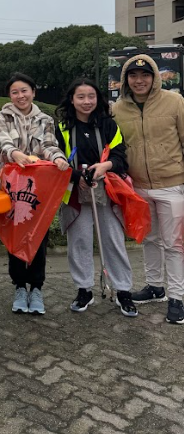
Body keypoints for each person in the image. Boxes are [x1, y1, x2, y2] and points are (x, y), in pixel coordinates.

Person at [55, 78, 137, 317]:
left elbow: (121, 157)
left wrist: (105, 166)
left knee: (113, 240)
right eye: (81, 97)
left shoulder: (109, 125)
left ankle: (123, 291)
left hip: (107, 190)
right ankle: (84, 290)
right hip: (76, 191)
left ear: (98, 99)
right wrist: (76, 175)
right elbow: (56, 159)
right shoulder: (62, 127)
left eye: (91, 96)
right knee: (78, 241)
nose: (86, 101)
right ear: (72, 99)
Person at [113, 54, 184, 325]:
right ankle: (155, 287)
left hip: (172, 184)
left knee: (175, 243)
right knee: (150, 239)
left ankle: (177, 297)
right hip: (139, 187)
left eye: (145, 75)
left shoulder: (175, 102)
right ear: (125, 80)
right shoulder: (117, 109)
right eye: (133, 76)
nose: (139, 80)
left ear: (154, 77)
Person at [0, 73, 68, 315]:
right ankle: (19, 286)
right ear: (9, 95)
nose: (20, 96)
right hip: (10, 186)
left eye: (24, 90)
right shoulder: (1, 117)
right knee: (15, 235)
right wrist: (15, 155)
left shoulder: (45, 119)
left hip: (38, 188)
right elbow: (1, 144)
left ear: (33, 92)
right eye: (15, 92)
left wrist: (57, 157)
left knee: (39, 236)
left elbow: (48, 145)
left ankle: (36, 287)